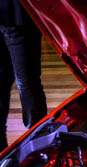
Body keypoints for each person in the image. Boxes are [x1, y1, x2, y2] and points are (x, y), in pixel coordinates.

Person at [0, 0, 47, 151]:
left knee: (24, 81)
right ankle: (37, 139)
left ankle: (36, 138)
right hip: (18, 15)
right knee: (27, 81)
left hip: (17, 15)